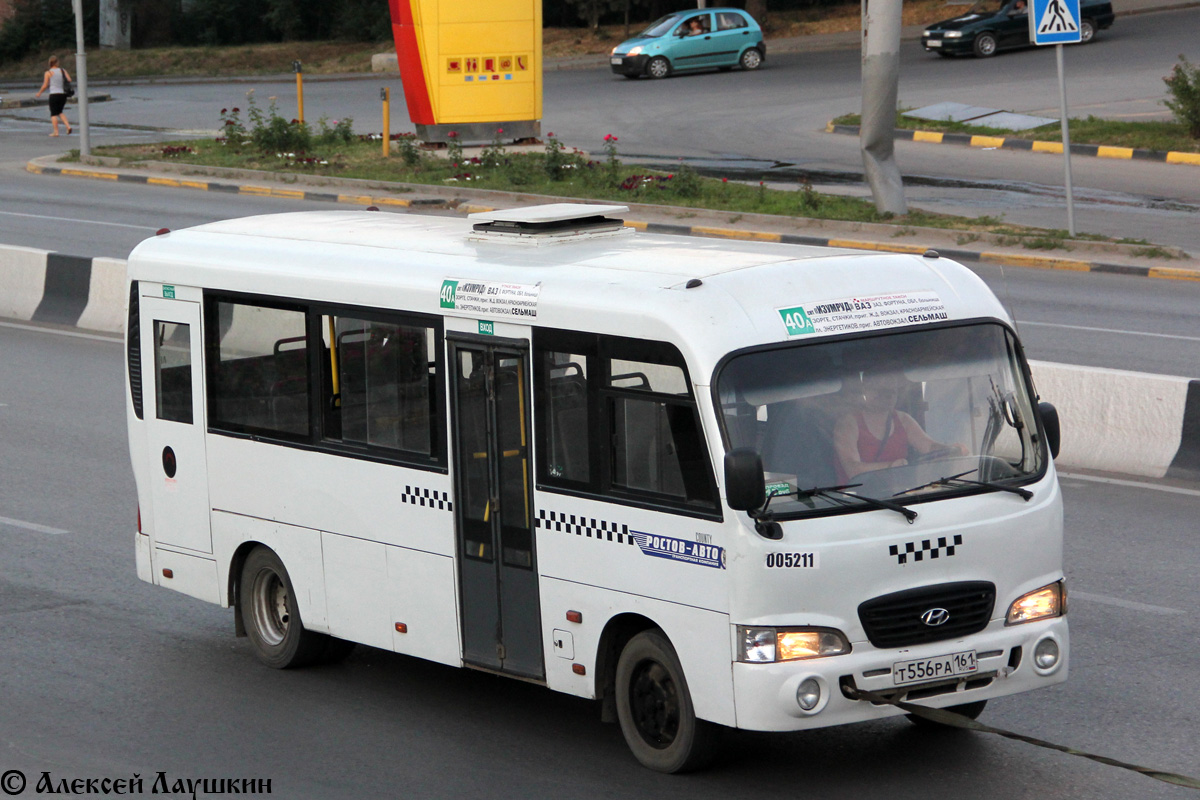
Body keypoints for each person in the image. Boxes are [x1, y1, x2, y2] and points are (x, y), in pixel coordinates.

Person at [833, 369, 967, 483]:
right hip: (856, 500)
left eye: (891, 391)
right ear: (865, 390)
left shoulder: (903, 420)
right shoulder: (848, 423)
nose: (886, 396)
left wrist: (950, 450)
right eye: (880, 390)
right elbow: (852, 469)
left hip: (899, 493)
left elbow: (929, 446)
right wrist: (891, 466)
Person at [35, 55, 72, 137]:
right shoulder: (62, 70)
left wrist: (39, 93)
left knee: (53, 114)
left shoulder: (48, 73)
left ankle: (56, 132)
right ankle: (68, 126)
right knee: (60, 112)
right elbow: (69, 79)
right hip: (63, 94)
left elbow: (45, 85)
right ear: (57, 62)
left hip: (54, 94)